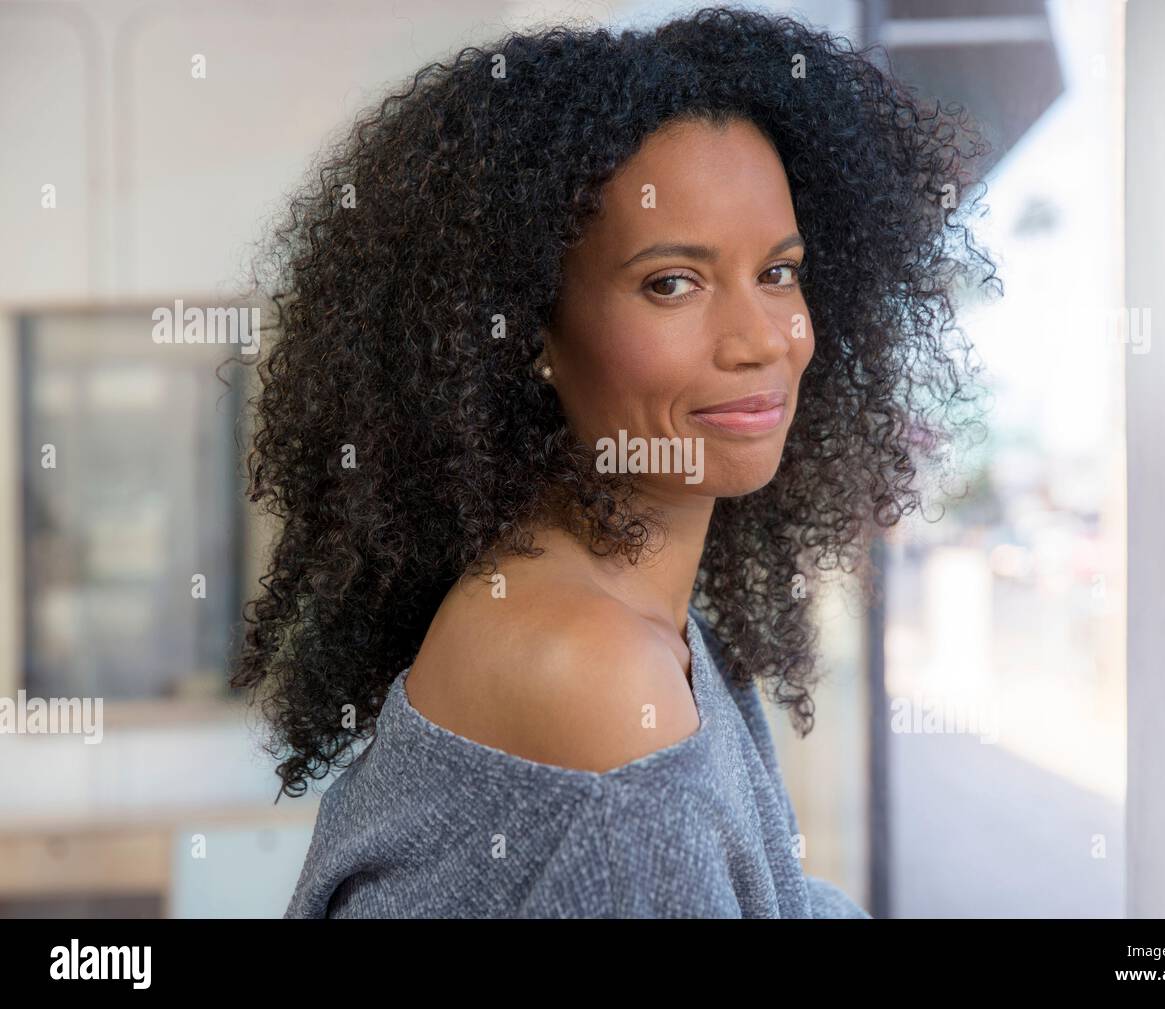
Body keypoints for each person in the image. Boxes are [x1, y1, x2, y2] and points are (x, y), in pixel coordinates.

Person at [232, 5, 996, 918]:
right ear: (527, 333)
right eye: (672, 282)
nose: (761, 339)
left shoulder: (631, 615)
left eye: (779, 273)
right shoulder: (595, 675)